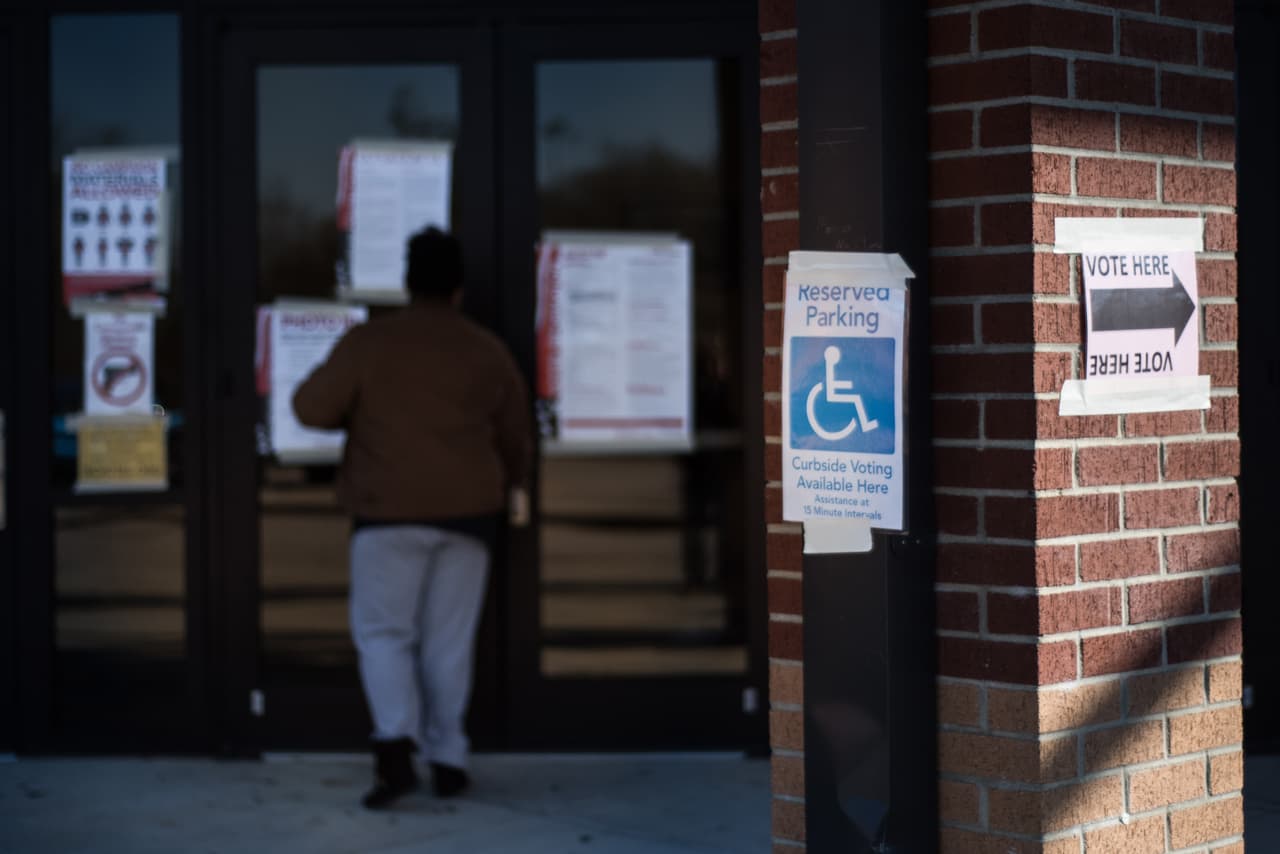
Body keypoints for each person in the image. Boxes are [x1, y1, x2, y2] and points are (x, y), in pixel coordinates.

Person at [292, 227, 530, 809]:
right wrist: (515, 484)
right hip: (470, 514)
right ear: (458, 287)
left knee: (384, 635)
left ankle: (395, 752)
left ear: (407, 282)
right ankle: (449, 758)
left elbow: (310, 408)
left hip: (386, 512)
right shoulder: (486, 350)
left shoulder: (371, 343)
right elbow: (516, 436)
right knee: (449, 641)